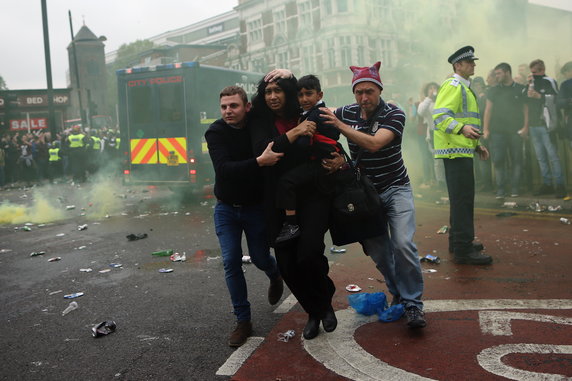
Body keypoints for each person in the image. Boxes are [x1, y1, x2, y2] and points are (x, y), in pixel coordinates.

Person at [320, 61, 426, 328]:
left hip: (396, 188)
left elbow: (375, 143)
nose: (364, 98)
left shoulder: (395, 114)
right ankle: (399, 295)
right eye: (359, 92)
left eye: (369, 92)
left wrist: (340, 126)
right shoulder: (347, 112)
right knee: (380, 254)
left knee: (403, 244)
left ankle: (413, 304)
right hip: (366, 196)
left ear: (379, 90)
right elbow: (313, 113)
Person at [250, 71, 339, 340]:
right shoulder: (261, 118)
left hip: (312, 196)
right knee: (287, 265)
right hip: (277, 201)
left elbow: (331, 142)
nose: (273, 96)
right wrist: (296, 133)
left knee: (309, 253)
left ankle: (323, 302)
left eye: (278, 90)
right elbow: (263, 149)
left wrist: (340, 161)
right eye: (267, 92)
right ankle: (315, 311)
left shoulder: (306, 112)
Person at [204, 85, 285, 348]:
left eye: (234, 106)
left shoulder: (257, 124)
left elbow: (271, 95)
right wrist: (259, 162)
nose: (228, 111)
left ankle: (275, 274)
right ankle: (243, 320)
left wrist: (283, 76)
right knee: (231, 260)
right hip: (226, 208)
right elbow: (224, 169)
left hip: (255, 207)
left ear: (246, 107)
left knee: (261, 258)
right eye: (224, 106)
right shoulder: (215, 131)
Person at [432, 46, 493, 265]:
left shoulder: (464, 87)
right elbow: (439, 116)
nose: (474, 64)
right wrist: (462, 130)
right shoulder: (454, 85)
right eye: (469, 62)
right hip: (454, 152)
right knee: (463, 200)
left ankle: (458, 241)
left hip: (461, 150)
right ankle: (463, 249)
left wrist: (477, 144)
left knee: (461, 200)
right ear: (458, 65)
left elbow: (466, 122)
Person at [275, 74, 341, 245]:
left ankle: (291, 224)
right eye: (300, 95)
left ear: (319, 95)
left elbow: (304, 143)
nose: (304, 99)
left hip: (319, 164)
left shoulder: (314, 114)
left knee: (286, 182)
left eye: (308, 94)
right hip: (322, 163)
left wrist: (291, 140)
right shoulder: (317, 112)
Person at [483, 62, 528, 199]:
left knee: (516, 160)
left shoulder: (521, 89)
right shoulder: (493, 90)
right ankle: (501, 189)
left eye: (499, 73)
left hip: (516, 131)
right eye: (495, 74)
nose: (496, 76)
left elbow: (526, 109)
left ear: (507, 72)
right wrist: (485, 129)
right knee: (498, 160)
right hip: (497, 131)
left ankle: (514, 188)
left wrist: (526, 127)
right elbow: (488, 110)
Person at [526, 59, 566, 198]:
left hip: (547, 124)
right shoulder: (530, 83)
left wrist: (540, 96)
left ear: (542, 70)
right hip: (533, 125)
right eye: (531, 72)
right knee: (541, 157)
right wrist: (528, 86)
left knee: (553, 156)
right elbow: (524, 101)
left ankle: (560, 185)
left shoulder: (549, 81)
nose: (533, 75)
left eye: (535, 72)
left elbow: (556, 98)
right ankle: (547, 183)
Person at [417, 81, 446, 191]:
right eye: (430, 88)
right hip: (434, 134)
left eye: (435, 88)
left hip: (445, 133)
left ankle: (448, 180)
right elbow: (420, 112)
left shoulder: (442, 101)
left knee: (447, 158)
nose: (433, 90)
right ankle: (441, 181)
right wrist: (428, 98)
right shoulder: (426, 103)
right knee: (437, 159)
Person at [558, 61, 572, 145]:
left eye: (565, 73)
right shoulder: (565, 84)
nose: (564, 76)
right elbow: (559, 102)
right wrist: (569, 101)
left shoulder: (565, 84)